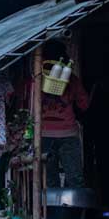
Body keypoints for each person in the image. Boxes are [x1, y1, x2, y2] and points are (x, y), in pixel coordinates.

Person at [41, 41, 91, 187]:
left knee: (49, 181)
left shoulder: (37, 79)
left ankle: (52, 210)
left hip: (44, 135)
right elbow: (84, 104)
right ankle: (72, 210)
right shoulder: (72, 79)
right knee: (74, 178)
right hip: (68, 133)